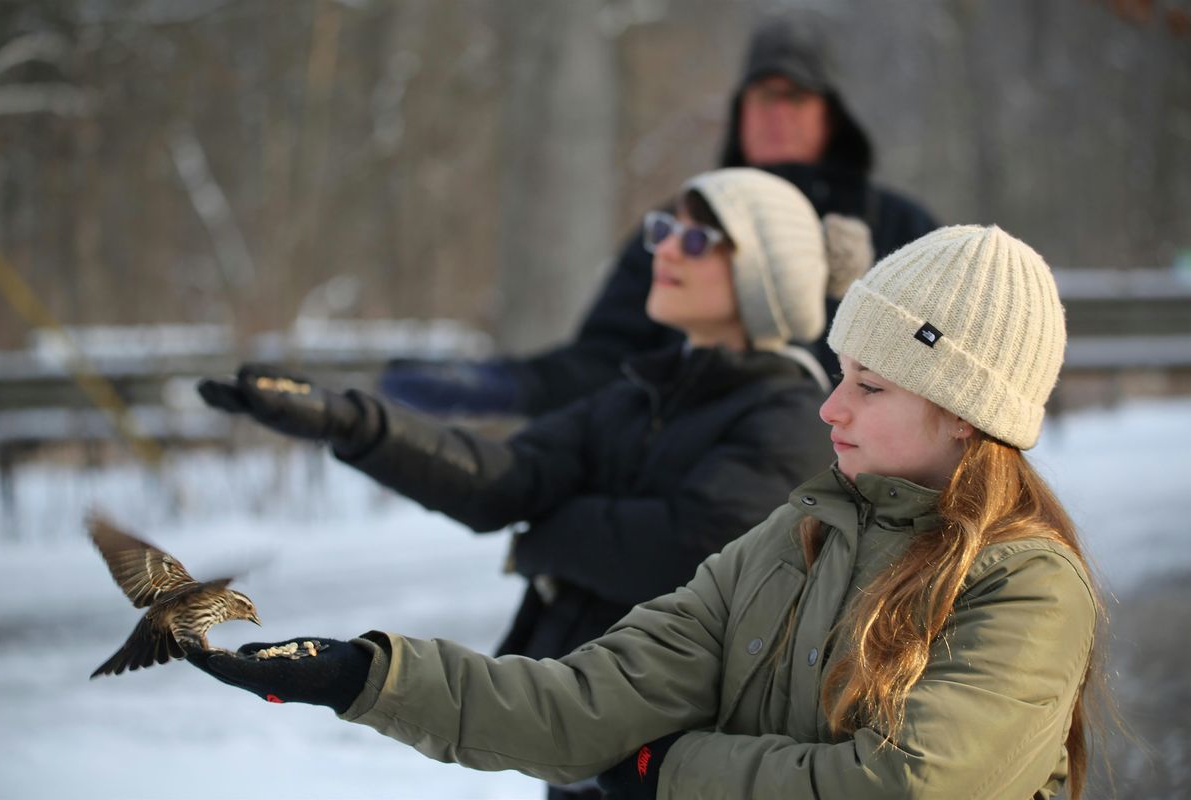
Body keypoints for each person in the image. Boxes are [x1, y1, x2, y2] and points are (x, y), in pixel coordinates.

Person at [188, 224, 1102, 799]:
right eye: (839, 376)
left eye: (869, 384)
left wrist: (668, 772)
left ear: (961, 412)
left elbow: (916, 787)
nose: (833, 407)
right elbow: (589, 698)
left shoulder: (1027, 584)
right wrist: (368, 676)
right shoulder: (796, 535)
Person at [196, 168, 872, 799]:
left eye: (696, 239)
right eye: (663, 231)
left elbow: (681, 549)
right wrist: (351, 423)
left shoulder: (790, 417)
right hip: (581, 725)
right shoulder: (640, 394)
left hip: (679, 753)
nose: (665, 250)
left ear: (765, 277)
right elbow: (507, 480)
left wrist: (548, 532)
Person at [380, 16, 938, 417]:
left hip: (856, 496)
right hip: (703, 473)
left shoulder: (899, 230)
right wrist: (512, 385)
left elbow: (938, 368)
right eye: (758, 97)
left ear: (832, 113)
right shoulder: (682, 226)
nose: (773, 114)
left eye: (793, 96)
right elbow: (606, 358)